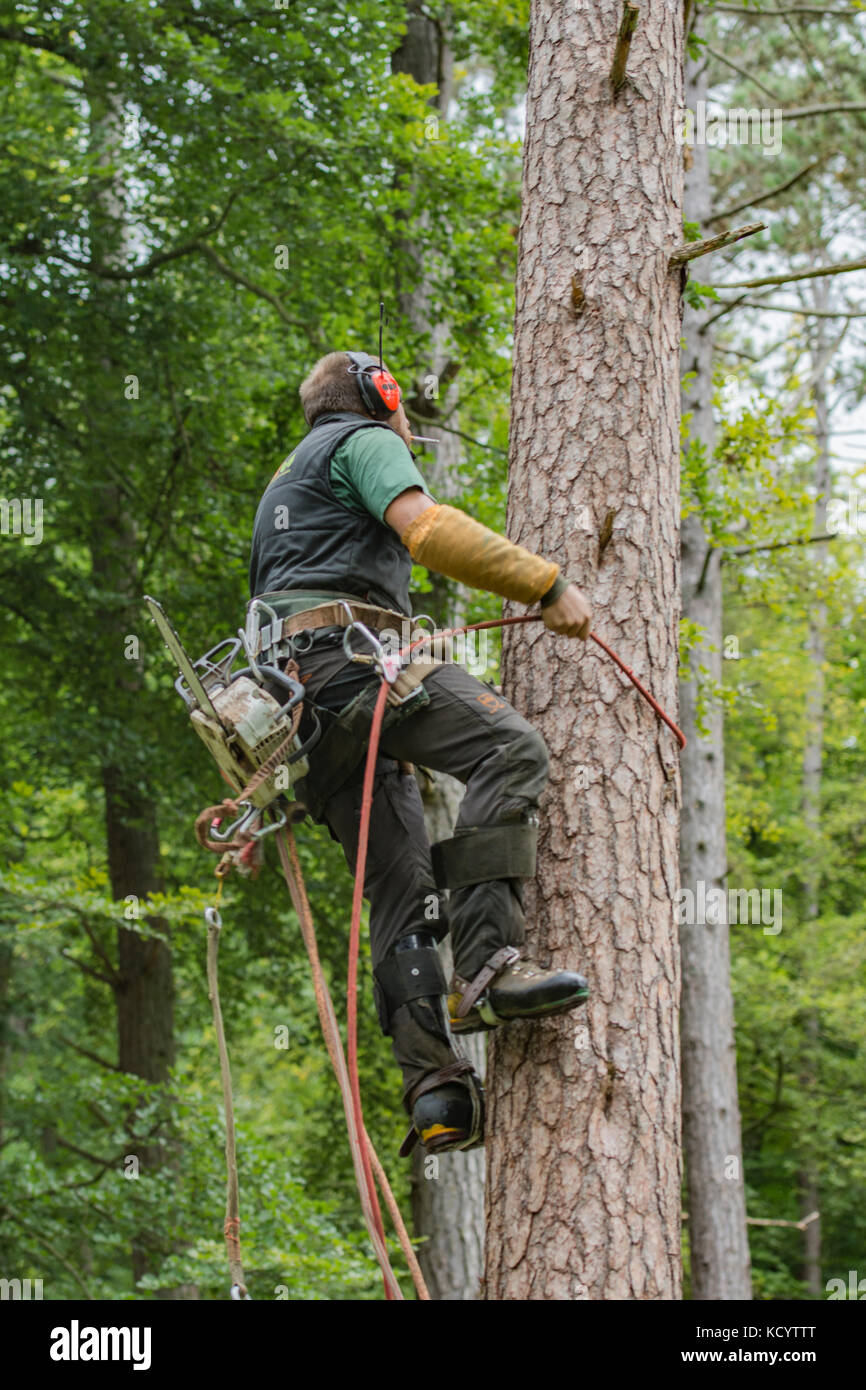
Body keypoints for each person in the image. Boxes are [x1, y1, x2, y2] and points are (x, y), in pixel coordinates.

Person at [249, 349, 593, 1157]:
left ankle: (437, 1092)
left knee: (401, 888)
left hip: (299, 718)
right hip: (346, 671)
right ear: (381, 396)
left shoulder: (282, 486)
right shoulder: (361, 441)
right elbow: (428, 531)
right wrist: (545, 585)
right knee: (508, 749)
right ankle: (489, 970)